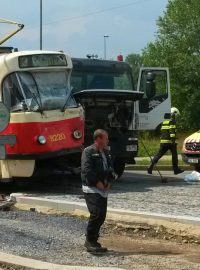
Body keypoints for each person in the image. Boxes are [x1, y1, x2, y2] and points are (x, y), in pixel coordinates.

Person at [81, 129, 115, 253]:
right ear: (99, 139)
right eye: (106, 138)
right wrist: (97, 183)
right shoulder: (88, 151)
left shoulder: (106, 152)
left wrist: (109, 181)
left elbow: (111, 168)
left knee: (101, 216)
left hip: (103, 189)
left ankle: (94, 241)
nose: (108, 140)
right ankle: (89, 241)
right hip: (92, 188)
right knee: (96, 214)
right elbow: (87, 170)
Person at [147, 107, 184, 175]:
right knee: (174, 155)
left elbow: (164, 131)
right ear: (174, 113)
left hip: (163, 141)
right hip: (170, 142)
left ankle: (151, 166)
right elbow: (172, 131)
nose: (176, 117)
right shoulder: (172, 120)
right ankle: (176, 169)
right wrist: (173, 140)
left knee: (158, 155)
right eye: (176, 115)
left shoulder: (164, 120)